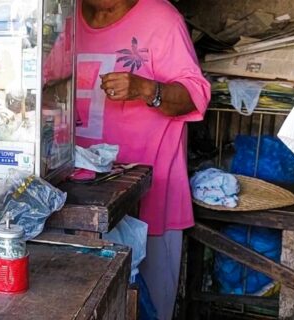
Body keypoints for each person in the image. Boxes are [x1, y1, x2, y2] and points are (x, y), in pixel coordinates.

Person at [44, 0, 210, 319]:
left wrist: (147, 89)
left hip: (150, 192)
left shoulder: (162, 19)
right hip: (76, 195)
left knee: (148, 305)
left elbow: (196, 96)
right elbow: (45, 80)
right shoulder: (67, 17)